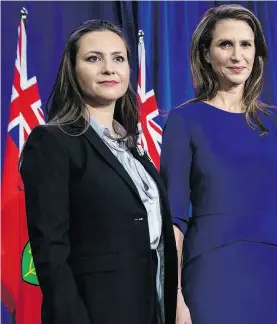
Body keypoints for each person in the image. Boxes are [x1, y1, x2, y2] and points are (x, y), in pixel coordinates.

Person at [160, 5, 277, 324]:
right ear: (205, 53)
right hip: (210, 269)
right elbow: (173, 217)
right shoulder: (184, 121)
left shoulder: (276, 122)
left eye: (246, 44)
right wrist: (174, 293)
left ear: (257, 52)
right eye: (225, 44)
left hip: (273, 268)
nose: (237, 55)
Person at [19, 20, 178, 324]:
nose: (109, 68)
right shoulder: (53, 141)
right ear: (72, 69)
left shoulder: (133, 146)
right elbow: (50, 248)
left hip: (154, 305)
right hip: (96, 311)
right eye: (94, 58)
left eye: (119, 58)